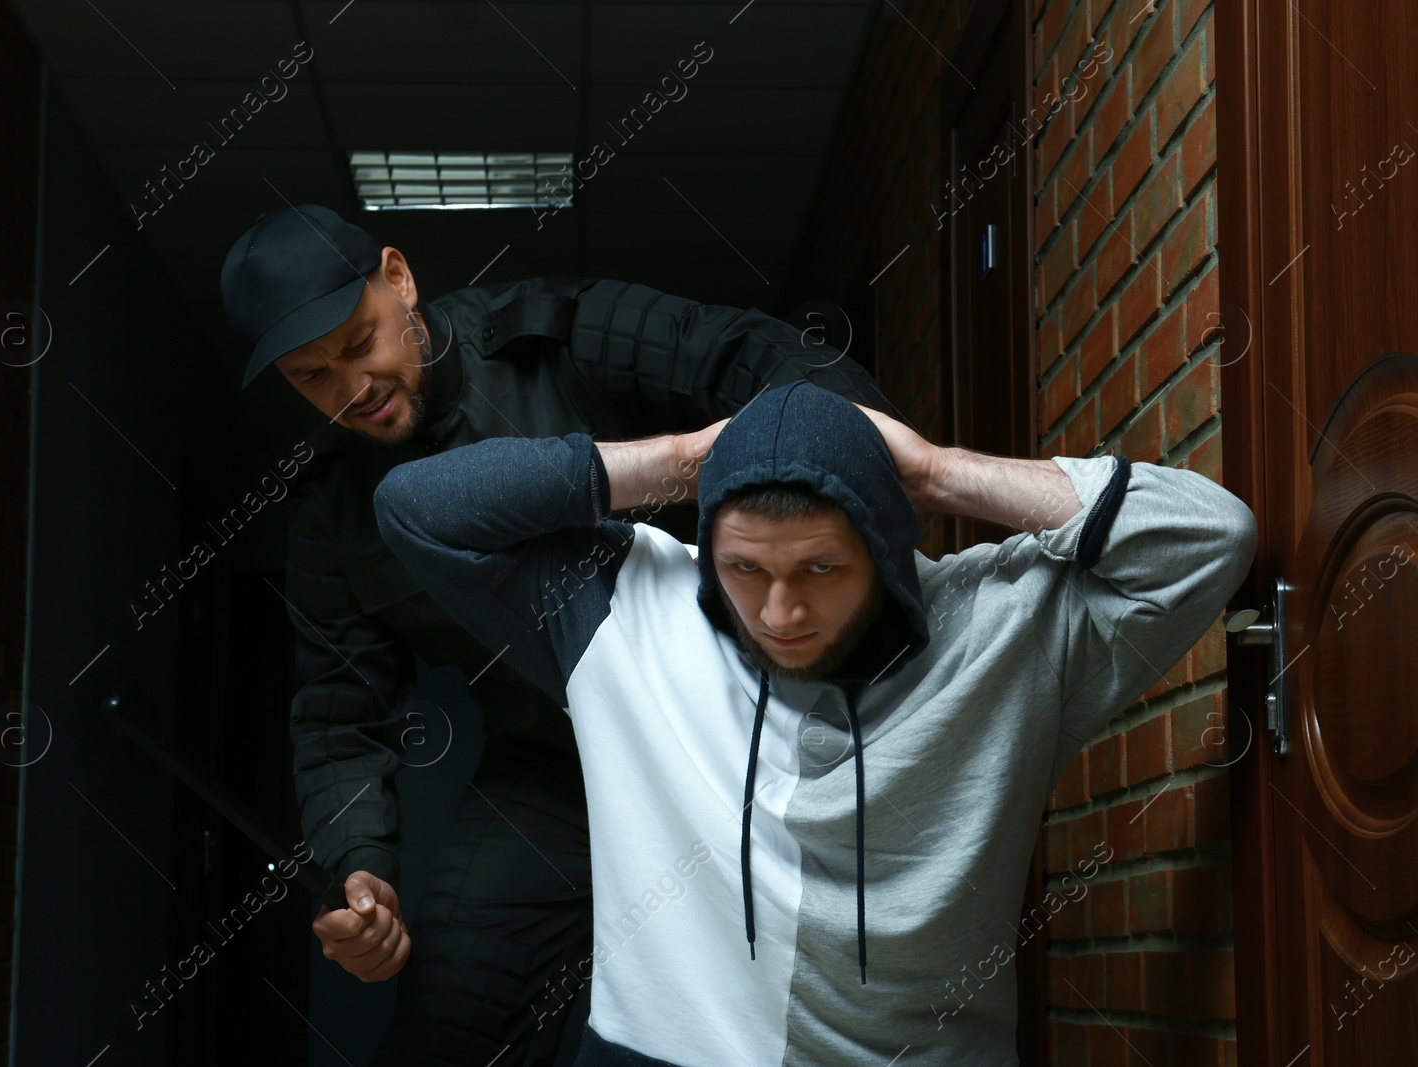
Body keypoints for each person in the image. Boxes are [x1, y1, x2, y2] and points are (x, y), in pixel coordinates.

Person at [371, 380, 1259, 1065]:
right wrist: (686, 458)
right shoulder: (623, 609)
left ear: (885, 543)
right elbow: (416, 508)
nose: (780, 610)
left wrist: (933, 469)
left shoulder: (1005, 626)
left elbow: (1210, 536)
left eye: (824, 567)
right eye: (745, 568)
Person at [218, 204, 898, 1065]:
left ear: (398, 278)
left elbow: (739, 351)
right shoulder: (329, 516)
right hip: (549, 767)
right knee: (444, 1027)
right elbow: (338, 715)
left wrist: (867, 472)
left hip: (731, 729)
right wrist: (359, 869)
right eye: (311, 377)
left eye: (359, 345)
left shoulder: (553, 331)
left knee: (798, 1013)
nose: (351, 388)